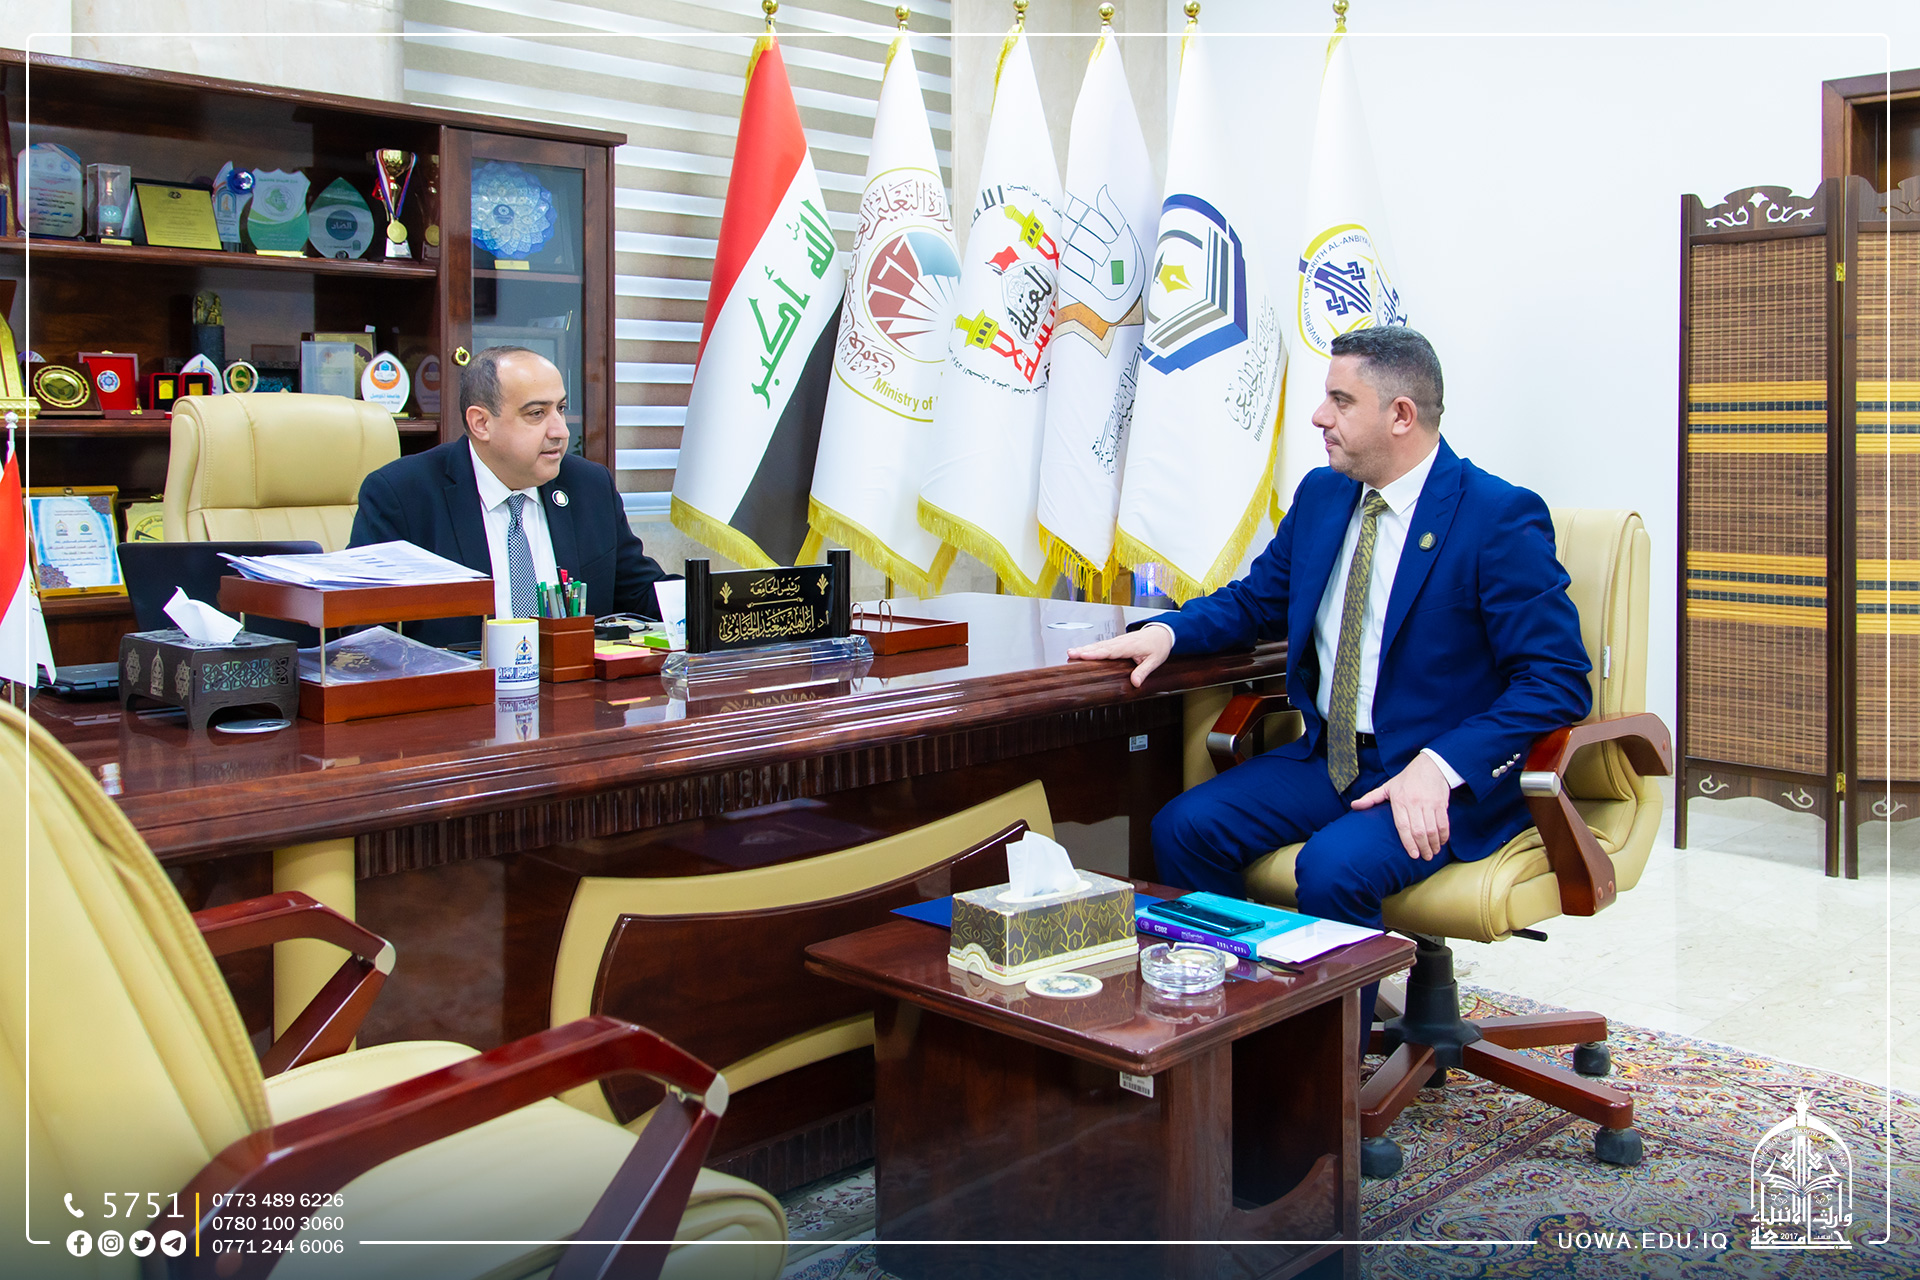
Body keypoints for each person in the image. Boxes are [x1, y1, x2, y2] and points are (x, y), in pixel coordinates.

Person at [1067, 327, 1592, 1046]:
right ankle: (1236, 1035)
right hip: (1333, 756)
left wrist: (1440, 768)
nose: (1319, 416)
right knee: (1184, 827)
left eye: (1341, 401)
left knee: (1334, 868)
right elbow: (1257, 601)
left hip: (1436, 777)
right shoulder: (1323, 496)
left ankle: (1322, 1076)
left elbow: (1556, 681)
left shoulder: (1496, 517)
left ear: (1401, 415)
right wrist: (1170, 633)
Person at [350, 346, 672, 647]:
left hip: (575, 685)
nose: (560, 431)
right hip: (461, 686)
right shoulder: (403, 496)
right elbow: (364, 633)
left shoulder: (588, 486)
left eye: (560, 409)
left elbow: (641, 595)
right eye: (537, 414)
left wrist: (702, 597)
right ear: (481, 423)